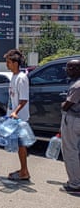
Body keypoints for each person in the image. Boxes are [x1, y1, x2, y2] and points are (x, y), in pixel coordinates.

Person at [4, 49, 31, 181]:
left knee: (21, 145)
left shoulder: (22, 78)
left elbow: (24, 100)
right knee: (19, 145)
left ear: (15, 63)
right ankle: (23, 169)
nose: (7, 64)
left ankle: (24, 172)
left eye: (8, 62)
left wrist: (15, 112)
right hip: (13, 117)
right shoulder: (13, 77)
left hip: (20, 118)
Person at [60, 59, 80, 193]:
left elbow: (67, 105)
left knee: (70, 151)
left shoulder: (77, 86)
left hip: (73, 120)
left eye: (70, 68)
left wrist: (62, 104)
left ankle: (75, 184)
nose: (67, 70)